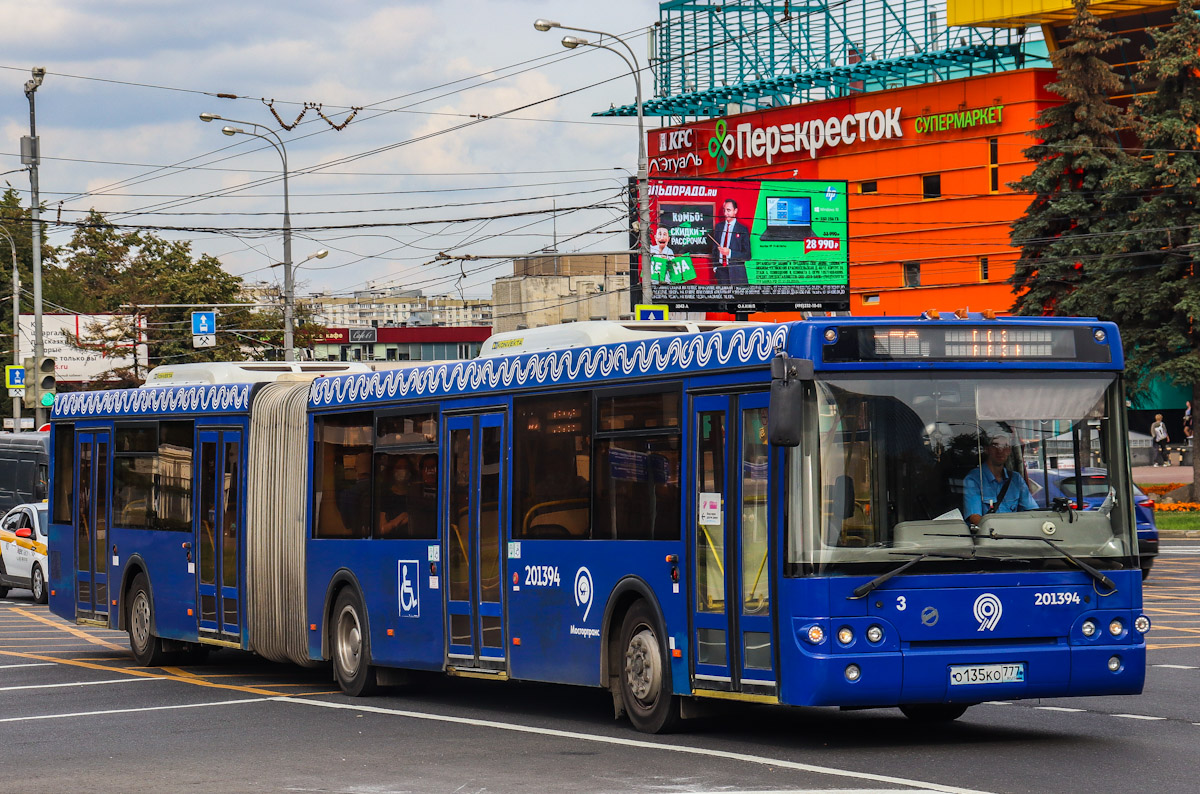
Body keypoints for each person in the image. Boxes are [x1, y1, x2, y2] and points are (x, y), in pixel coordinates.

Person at [963, 433, 1038, 528]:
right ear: (987, 449)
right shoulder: (974, 479)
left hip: (1016, 535)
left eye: (1005, 446)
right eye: (995, 445)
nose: (1000, 450)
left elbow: (1032, 511)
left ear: (1009, 450)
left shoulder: (1016, 479)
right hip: (989, 537)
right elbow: (974, 518)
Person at [710, 198, 751, 285]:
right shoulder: (719, 227)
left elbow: (747, 255)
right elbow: (714, 249)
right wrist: (715, 267)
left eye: (728, 210)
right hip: (721, 272)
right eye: (724, 210)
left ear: (735, 211)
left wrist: (730, 253)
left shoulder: (742, 229)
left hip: (737, 273)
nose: (725, 213)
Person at [377, 456, 413, 537]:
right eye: (399, 467)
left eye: (406, 467)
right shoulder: (386, 496)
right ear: (392, 471)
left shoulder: (415, 494)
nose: (403, 471)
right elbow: (383, 529)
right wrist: (401, 518)